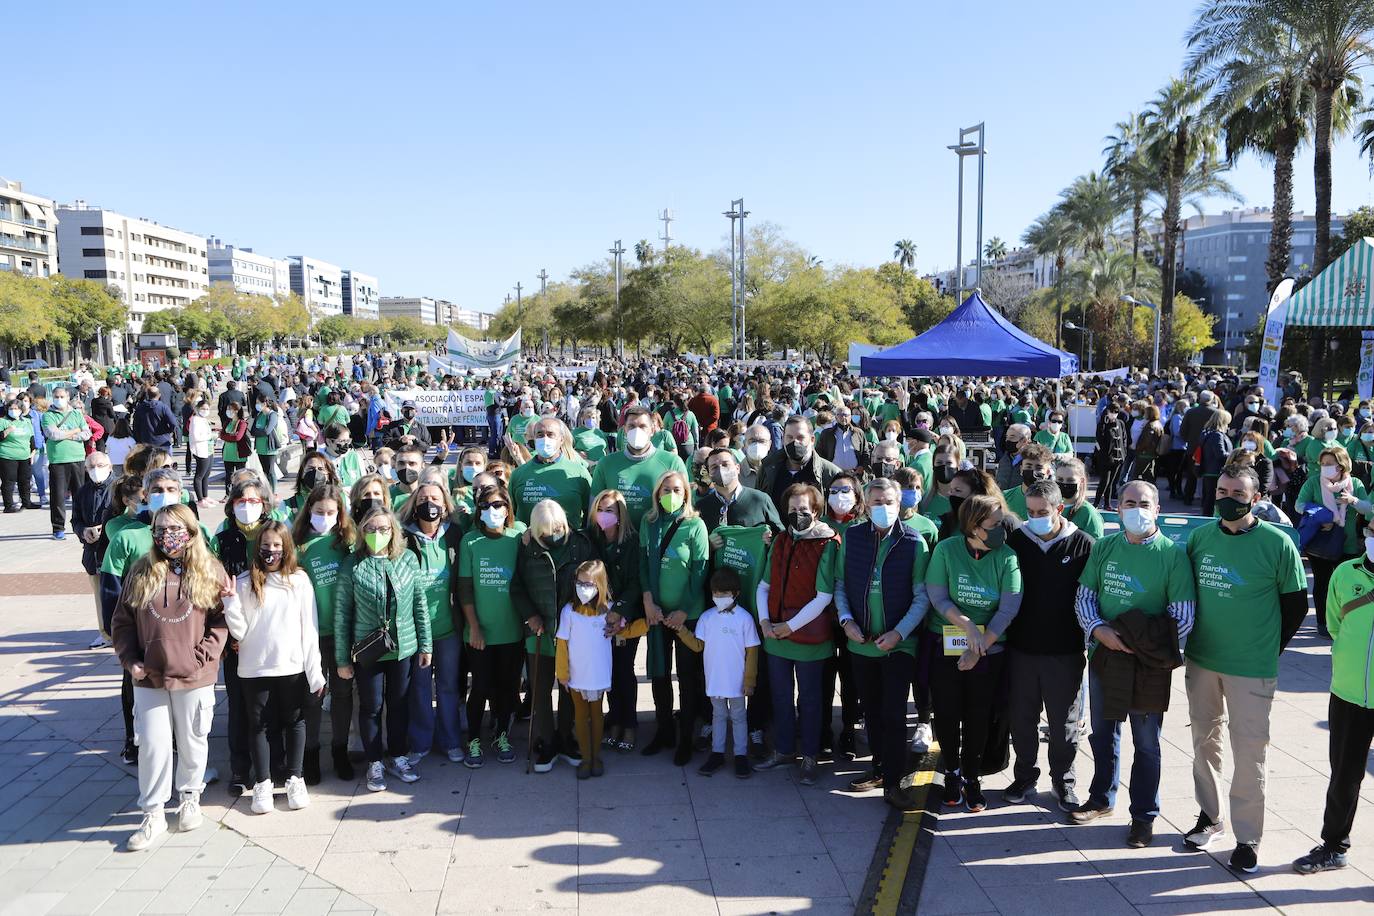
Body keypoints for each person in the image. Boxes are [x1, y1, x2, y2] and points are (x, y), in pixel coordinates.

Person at [1181, 467, 1307, 873]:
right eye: (1221, 489)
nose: (1227, 497)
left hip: (1251, 667)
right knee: (1204, 742)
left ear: (1255, 498)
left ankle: (1248, 837)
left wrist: (1267, 649)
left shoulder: (1277, 543)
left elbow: (1295, 607)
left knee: (1249, 752)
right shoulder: (1200, 538)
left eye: (1236, 491)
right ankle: (1210, 816)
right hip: (1202, 660)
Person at [1071, 480, 1196, 849]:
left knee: (1146, 742)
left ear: (1157, 509)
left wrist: (1140, 645)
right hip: (1105, 654)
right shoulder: (1106, 547)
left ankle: (1143, 816)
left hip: (1148, 662)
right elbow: (1085, 597)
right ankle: (1101, 797)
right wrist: (1098, 630)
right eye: (1129, 502)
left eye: (1143, 503)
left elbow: (1183, 616)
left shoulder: (1171, 555)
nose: (1136, 509)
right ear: (1119, 507)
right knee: (1103, 731)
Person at [110, 504, 229, 851]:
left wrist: (203, 656)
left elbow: (221, 622)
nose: (166, 535)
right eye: (159, 528)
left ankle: (190, 797)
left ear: (191, 531)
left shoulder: (210, 570)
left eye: (174, 528)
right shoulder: (141, 571)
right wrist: (130, 660)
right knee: (152, 745)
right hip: (149, 675)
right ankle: (154, 812)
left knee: (193, 739)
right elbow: (122, 622)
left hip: (194, 675)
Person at [834, 478, 930, 811]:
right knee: (872, 712)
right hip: (862, 643)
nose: (883, 507)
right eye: (876, 501)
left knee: (892, 713)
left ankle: (894, 782)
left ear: (900, 503)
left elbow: (921, 598)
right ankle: (878, 768)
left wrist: (899, 634)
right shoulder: (852, 537)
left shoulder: (914, 543)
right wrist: (846, 620)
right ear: (865, 502)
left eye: (889, 501)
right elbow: (841, 584)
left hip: (898, 646)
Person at [925, 493, 1022, 812]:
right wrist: (967, 626)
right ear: (974, 526)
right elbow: (938, 597)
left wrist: (980, 646)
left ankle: (972, 777)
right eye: (994, 525)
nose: (1000, 530)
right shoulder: (946, 550)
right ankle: (951, 772)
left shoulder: (1007, 557)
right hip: (947, 639)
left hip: (990, 647)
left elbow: (1008, 607)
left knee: (979, 716)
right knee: (948, 712)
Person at [1004, 480, 1093, 812]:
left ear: (1060, 509)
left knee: (1064, 723)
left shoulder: (1084, 545)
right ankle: (1025, 775)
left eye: (1043, 512)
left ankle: (1064, 780)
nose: (1035, 518)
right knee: (1022, 719)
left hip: (1065, 652)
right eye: (1030, 512)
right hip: (1022, 649)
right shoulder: (1017, 541)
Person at [223, 521, 324, 814]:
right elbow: (239, 632)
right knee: (259, 726)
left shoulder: (299, 581)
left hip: (291, 666)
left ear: (286, 548)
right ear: (258, 548)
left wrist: (314, 671)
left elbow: (310, 628)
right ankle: (264, 782)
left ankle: (295, 777)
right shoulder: (244, 582)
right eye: (266, 545)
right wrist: (230, 603)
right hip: (255, 669)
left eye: (277, 546)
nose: (271, 551)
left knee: (295, 722)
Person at [1293, 517, 1374, 876]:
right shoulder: (1345, 573)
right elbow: (1334, 624)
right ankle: (1333, 846)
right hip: (1348, 694)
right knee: (1344, 774)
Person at [335, 505, 432, 793]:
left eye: (384, 529)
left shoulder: (407, 559)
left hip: (403, 646)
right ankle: (374, 761)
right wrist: (342, 658)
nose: (378, 534)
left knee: (400, 703)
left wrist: (426, 644)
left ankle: (398, 755)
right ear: (362, 532)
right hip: (370, 649)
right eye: (371, 529)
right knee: (372, 706)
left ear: (393, 531)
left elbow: (419, 604)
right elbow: (342, 614)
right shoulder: (353, 564)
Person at [753, 483, 838, 785]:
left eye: (804, 509)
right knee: (781, 697)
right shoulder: (779, 541)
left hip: (808, 637)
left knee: (811, 700)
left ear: (816, 510)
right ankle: (784, 750)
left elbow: (824, 595)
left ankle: (811, 756)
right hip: (776, 634)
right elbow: (764, 586)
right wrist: (765, 622)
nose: (798, 514)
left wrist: (790, 626)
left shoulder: (827, 543)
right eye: (792, 509)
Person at [514, 499, 598, 772]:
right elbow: (517, 586)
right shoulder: (527, 548)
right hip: (539, 629)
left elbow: (594, 580)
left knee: (569, 686)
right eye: (549, 529)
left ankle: (566, 736)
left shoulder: (581, 543)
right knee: (540, 689)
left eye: (559, 526)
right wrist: (531, 615)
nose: (556, 532)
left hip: (572, 630)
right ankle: (546, 740)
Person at [638, 469, 710, 764]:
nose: (671, 495)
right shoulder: (649, 521)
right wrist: (647, 599)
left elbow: (700, 571)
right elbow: (643, 561)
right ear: (657, 494)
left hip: (686, 615)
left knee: (688, 677)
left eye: (677, 490)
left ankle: (685, 739)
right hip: (656, 612)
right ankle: (664, 728)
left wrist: (682, 610)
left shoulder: (695, 525)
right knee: (658, 673)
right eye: (665, 490)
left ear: (686, 494)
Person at [556, 559, 650, 779]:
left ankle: (596, 756)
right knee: (580, 716)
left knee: (597, 715)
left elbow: (625, 631)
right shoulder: (569, 611)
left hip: (598, 674)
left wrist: (647, 623)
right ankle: (586, 758)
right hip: (576, 674)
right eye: (580, 583)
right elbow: (561, 643)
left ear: (599, 585)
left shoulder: (609, 610)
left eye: (588, 584)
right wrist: (562, 673)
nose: (583, 588)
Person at [399, 475, 466, 765]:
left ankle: (451, 740)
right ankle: (421, 742)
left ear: (445, 504)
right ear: (415, 505)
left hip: (448, 625)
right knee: (420, 686)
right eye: (424, 499)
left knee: (449, 685)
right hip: (416, 630)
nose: (430, 504)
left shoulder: (455, 534)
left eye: (435, 499)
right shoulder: (403, 538)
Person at [292, 483, 357, 782]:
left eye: (332, 512)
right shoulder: (299, 545)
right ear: (309, 512)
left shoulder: (347, 541)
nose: (326, 517)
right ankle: (311, 753)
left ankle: (340, 750)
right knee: (312, 695)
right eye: (320, 512)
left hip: (344, 632)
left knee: (343, 694)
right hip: (312, 634)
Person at [458, 484, 526, 768]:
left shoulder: (519, 536)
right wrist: (474, 627)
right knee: (482, 686)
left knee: (508, 687)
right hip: (480, 633)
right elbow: (465, 589)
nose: (492, 511)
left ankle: (501, 735)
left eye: (498, 505)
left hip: (512, 630)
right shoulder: (470, 541)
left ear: (508, 508)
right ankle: (474, 738)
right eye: (485, 506)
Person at [673, 568, 760, 778]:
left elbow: (752, 651)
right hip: (715, 680)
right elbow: (697, 645)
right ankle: (717, 753)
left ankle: (740, 755)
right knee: (718, 716)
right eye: (716, 594)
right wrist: (681, 631)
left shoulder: (745, 619)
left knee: (739, 717)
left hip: (737, 682)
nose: (719, 598)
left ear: (736, 594)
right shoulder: (706, 618)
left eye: (725, 594)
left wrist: (749, 681)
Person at [585, 489, 643, 753]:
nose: (604, 515)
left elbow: (634, 581)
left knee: (623, 670)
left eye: (610, 510)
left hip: (626, 616)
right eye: (601, 509)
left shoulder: (631, 541)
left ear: (620, 515)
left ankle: (628, 724)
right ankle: (614, 720)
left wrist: (619, 610)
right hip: (599, 614)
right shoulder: (591, 538)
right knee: (608, 670)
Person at [1296, 447, 1370, 640]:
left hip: (1348, 544)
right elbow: (1299, 504)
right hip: (1322, 543)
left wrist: (1352, 500)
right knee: (1322, 583)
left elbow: (1367, 510)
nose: (1325, 468)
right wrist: (1323, 516)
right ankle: (1323, 623)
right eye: (1323, 464)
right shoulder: (1313, 482)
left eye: (1330, 464)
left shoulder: (1355, 483)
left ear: (1342, 465)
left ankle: (1345, 621)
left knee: (1347, 584)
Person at [589, 405, 688, 527]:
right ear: (624, 430)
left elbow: (687, 505)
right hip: (616, 538)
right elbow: (594, 505)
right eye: (631, 426)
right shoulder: (606, 463)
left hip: (658, 538)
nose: (637, 431)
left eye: (642, 426)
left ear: (652, 430)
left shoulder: (672, 462)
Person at [510, 417, 592, 528]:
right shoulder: (518, 474)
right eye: (540, 434)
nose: (545, 439)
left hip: (569, 542)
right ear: (533, 438)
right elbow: (510, 513)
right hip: (528, 542)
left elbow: (591, 511)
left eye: (550, 434)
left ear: (561, 440)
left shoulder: (579, 472)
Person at [755, 417, 841, 516]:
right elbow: (758, 506)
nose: (795, 442)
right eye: (790, 437)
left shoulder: (830, 473)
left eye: (800, 437)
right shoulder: (768, 468)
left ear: (812, 439)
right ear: (783, 439)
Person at [74, 450, 115, 648]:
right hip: (92, 552)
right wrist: (84, 531)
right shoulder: (83, 491)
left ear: (109, 467)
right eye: (91, 467)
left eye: (100, 466)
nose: (95, 470)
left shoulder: (119, 488)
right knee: (99, 595)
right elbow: (76, 520)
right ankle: (105, 633)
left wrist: (105, 527)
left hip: (115, 551)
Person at [42, 385, 90, 539]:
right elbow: (53, 434)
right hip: (58, 460)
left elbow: (87, 433)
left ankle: (82, 525)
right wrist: (75, 431)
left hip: (77, 458)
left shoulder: (76, 413)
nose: (59, 399)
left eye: (62, 396)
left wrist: (69, 435)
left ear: (68, 398)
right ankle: (58, 528)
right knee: (58, 496)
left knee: (80, 495)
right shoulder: (48, 416)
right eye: (56, 396)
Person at [1053, 455, 1105, 538]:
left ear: (1081, 481)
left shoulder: (1088, 513)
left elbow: (1096, 547)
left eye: (1070, 480)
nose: (1064, 484)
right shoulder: (1051, 508)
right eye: (1060, 480)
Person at [1002, 442, 1054, 522]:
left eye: (1038, 467)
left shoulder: (1055, 500)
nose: (1033, 471)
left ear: (1047, 472)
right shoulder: (1005, 497)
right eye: (1028, 466)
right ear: (1021, 470)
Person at [0, 395, 35, 512]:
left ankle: (27, 502)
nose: (14, 411)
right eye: (11, 408)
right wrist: (7, 430)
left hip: (24, 455)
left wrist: (33, 452)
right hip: (8, 456)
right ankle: (8, 505)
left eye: (16, 409)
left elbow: (31, 438)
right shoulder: (2, 421)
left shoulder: (27, 421)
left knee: (25, 480)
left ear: (21, 410)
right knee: (8, 481)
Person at [1094, 404, 1127, 510]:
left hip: (1118, 458)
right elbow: (1099, 440)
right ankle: (1096, 503)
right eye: (1112, 411)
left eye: (1116, 411)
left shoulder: (1121, 423)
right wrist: (1103, 456)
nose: (1114, 414)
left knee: (1112, 482)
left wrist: (1123, 453)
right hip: (1107, 458)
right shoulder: (1102, 424)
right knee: (1104, 481)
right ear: (1107, 411)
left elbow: (1124, 439)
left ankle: (1107, 504)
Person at [251, 393, 283, 492]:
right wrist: (259, 432)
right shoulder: (259, 414)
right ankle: (267, 490)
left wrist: (258, 432)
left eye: (258, 403)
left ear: (265, 403)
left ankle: (273, 491)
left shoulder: (272, 414)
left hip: (269, 447)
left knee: (270, 471)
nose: (257, 405)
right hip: (260, 447)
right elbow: (252, 431)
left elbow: (267, 430)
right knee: (264, 471)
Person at [187, 398, 215, 505]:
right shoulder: (195, 419)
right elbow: (196, 436)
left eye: (207, 409)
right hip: (200, 450)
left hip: (208, 449)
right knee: (200, 475)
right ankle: (200, 499)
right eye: (203, 408)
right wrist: (210, 436)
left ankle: (205, 496)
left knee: (206, 474)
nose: (205, 410)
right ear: (198, 408)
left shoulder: (203, 419)